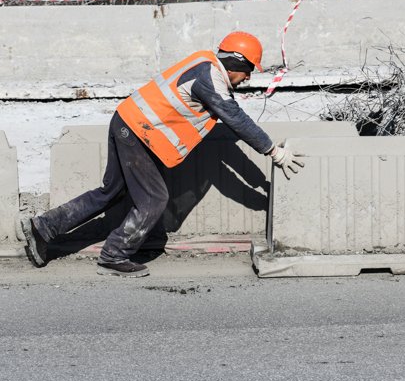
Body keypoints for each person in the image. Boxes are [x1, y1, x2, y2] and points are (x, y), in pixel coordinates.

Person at [21, 31, 304, 278]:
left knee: (111, 192)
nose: (248, 77)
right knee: (154, 199)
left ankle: (44, 227)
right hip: (137, 131)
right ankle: (115, 254)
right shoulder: (210, 79)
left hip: (128, 122)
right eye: (248, 69)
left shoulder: (205, 62)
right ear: (236, 63)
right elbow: (237, 119)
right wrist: (273, 152)